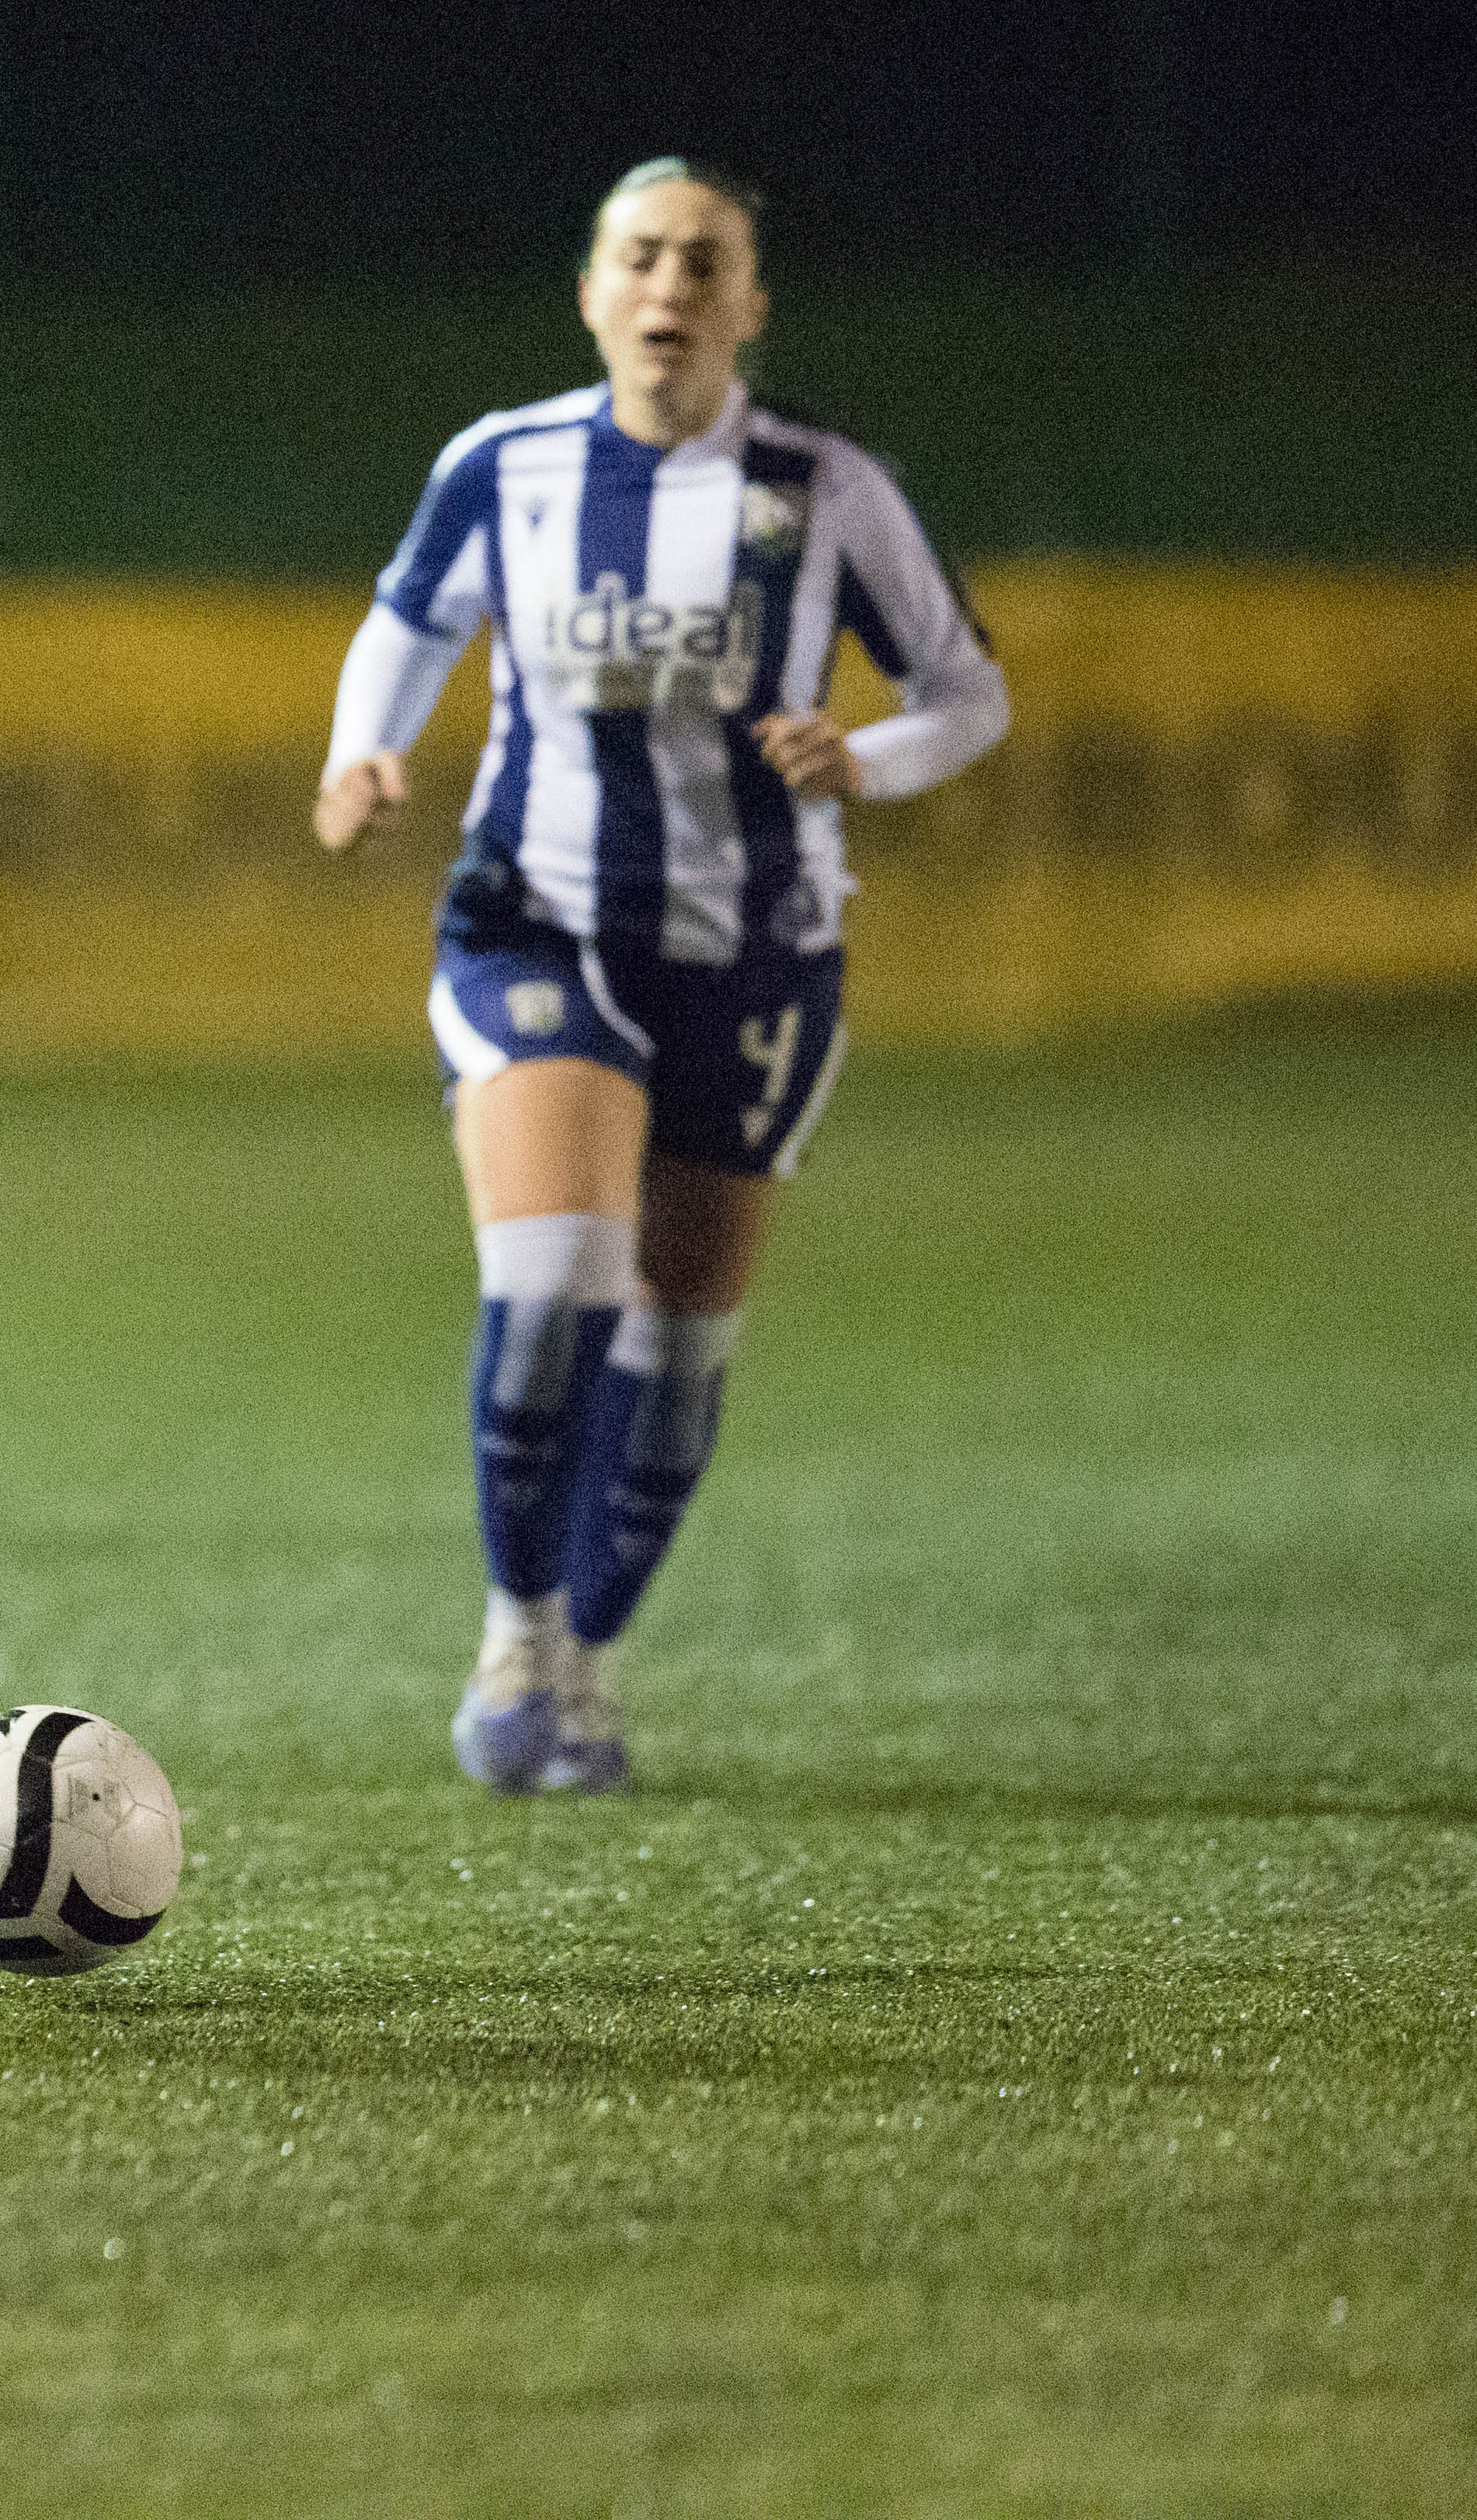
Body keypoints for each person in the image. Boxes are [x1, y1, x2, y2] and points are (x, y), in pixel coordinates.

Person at [314, 158, 1007, 1795]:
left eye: (705, 262)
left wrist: (867, 756)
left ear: (750, 304)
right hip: (537, 916)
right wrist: (361, 750)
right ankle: (515, 1633)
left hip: (755, 956)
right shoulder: (508, 463)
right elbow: (410, 619)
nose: (670, 287)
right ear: (591, 292)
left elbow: (968, 693)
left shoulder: (826, 491)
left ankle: (590, 1663)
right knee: (557, 1272)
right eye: (641, 257)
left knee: (681, 1350)